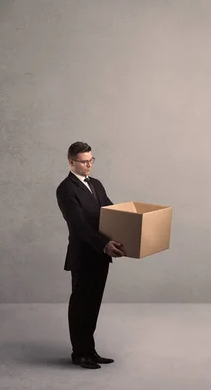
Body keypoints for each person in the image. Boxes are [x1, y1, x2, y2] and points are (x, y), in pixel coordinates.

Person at [56, 141, 125, 369]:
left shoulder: (96, 184)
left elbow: (109, 211)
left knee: (93, 304)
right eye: (84, 162)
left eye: (91, 160)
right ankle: (80, 353)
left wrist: (131, 222)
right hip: (84, 255)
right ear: (71, 162)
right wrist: (104, 245)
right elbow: (79, 224)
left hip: (101, 255)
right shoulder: (65, 189)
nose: (88, 165)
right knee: (81, 305)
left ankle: (90, 350)